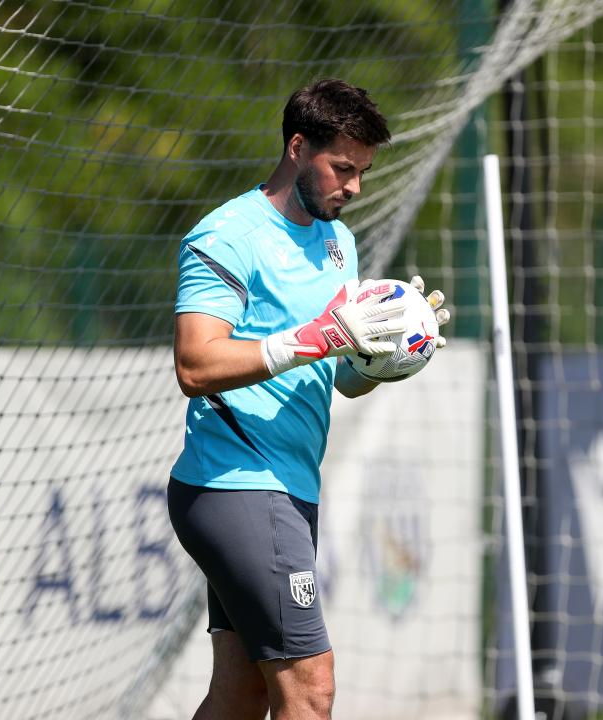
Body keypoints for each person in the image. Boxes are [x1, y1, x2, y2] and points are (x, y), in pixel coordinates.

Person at [167, 78, 450, 720]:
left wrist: (387, 357)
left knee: (239, 696)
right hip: (235, 485)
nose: (352, 187)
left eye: (362, 173)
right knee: (311, 690)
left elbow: (338, 374)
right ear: (298, 147)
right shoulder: (227, 237)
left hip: (288, 486)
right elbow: (194, 362)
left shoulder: (338, 241)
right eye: (342, 168)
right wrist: (313, 337)